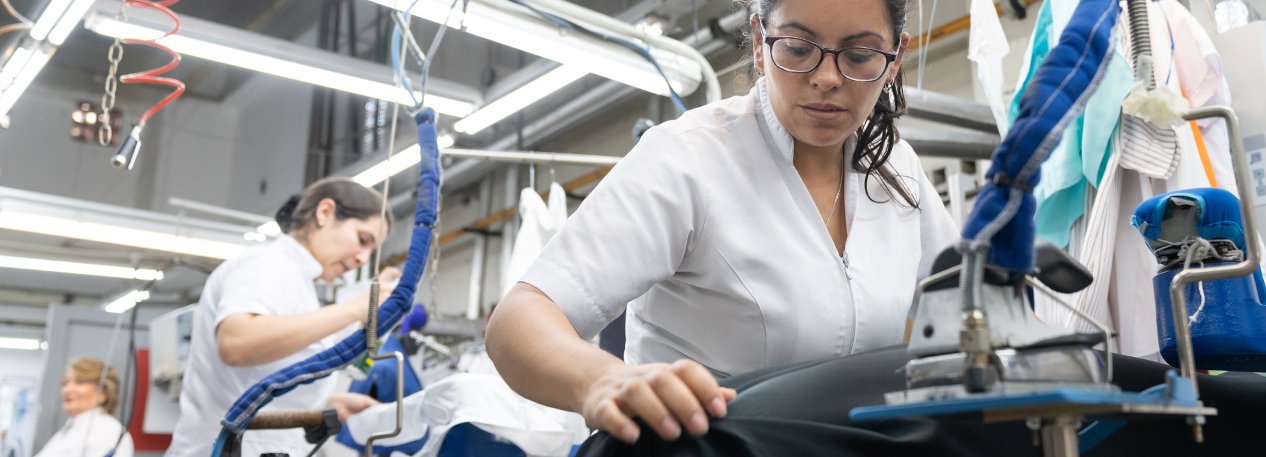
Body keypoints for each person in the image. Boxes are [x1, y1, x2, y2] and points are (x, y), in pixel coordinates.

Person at [486, 0, 957, 445]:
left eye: (859, 55)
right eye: (797, 48)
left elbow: (968, 301)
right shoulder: (689, 159)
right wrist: (602, 380)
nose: (828, 78)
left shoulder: (898, 171)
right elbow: (517, 321)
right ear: (759, 41)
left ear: (895, 59)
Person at [167, 178, 401, 457]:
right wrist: (354, 309)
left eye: (372, 251)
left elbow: (256, 381)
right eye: (363, 240)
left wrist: (327, 402)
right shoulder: (268, 263)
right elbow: (237, 344)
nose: (364, 258)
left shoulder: (299, 283)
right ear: (325, 212)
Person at [35, 358, 134, 457]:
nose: (67, 390)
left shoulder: (112, 432)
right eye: (65, 383)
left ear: (103, 392)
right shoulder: (67, 430)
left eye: (79, 382)